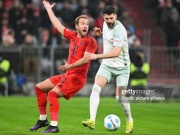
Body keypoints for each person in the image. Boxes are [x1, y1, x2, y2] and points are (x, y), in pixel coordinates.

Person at [29, 0, 97, 133]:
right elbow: (57, 24)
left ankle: (54, 125)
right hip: (68, 74)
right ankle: (43, 120)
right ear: (76, 26)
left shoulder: (91, 41)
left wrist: (69, 67)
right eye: (83, 23)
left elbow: (85, 60)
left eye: (87, 24)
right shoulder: (72, 35)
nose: (86, 26)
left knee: (53, 94)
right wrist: (49, 9)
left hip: (77, 78)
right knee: (39, 88)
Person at [82, 6, 133, 134]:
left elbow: (116, 52)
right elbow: (110, 35)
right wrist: (101, 33)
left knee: (120, 97)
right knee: (96, 88)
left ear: (116, 16)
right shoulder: (105, 24)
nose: (109, 20)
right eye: (106, 18)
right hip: (107, 65)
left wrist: (97, 56)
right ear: (103, 17)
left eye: (111, 18)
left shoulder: (120, 30)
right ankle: (92, 120)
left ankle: (129, 120)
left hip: (122, 67)